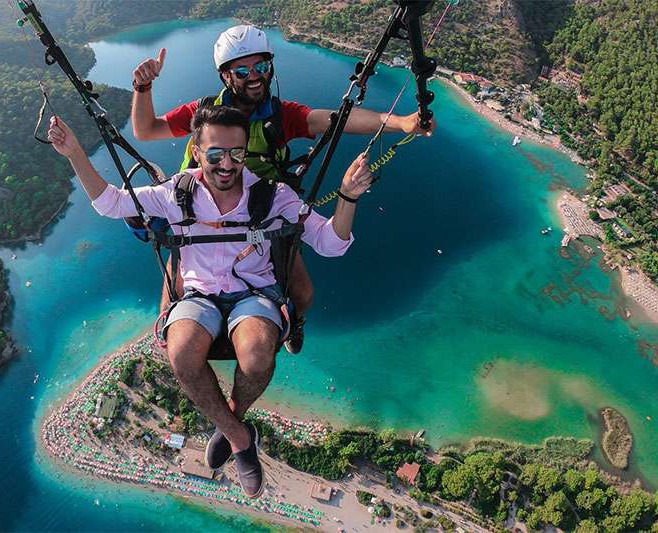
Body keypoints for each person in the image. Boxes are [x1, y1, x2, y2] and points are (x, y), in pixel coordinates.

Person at [46, 105, 373, 498]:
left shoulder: (271, 196)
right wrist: (76, 155)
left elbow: (330, 243)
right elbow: (112, 203)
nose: (227, 164)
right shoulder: (177, 193)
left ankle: (230, 423)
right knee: (181, 352)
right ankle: (239, 437)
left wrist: (348, 198)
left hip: (253, 294)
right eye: (215, 154)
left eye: (237, 153)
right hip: (199, 294)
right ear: (197, 152)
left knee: (255, 357)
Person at [130, 24, 434, 353]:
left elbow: (335, 120)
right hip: (201, 212)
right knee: (172, 296)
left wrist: (402, 124)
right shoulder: (204, 114)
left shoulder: (280, 116)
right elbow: (146, 130)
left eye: (261, 67)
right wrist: (143, 87)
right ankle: (179, 343)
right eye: (242, 70)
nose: (254, 76)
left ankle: (294, 322)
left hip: (262, 212)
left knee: (302, 294)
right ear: (226, 76)